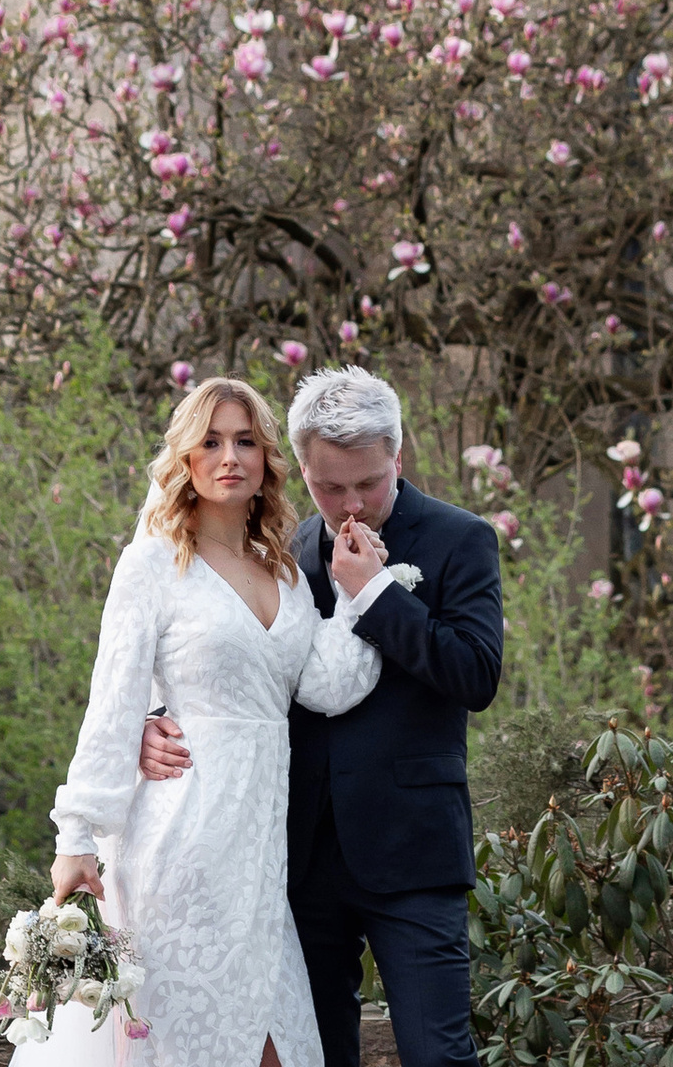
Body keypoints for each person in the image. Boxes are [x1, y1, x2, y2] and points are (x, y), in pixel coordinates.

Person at [136, 368, 503, 1067]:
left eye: (368, 482)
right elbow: (234, 665)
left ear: (398, 455)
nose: (351, 504)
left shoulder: (462, 539)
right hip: (297, 858)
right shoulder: (286, 552)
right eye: (329, 487)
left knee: (439, 1055)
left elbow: (476, 675)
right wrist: (154, 718)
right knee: (318, 1056)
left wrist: (379, 597)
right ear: (299, 467)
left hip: (412, 851)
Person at [47, 376, 392, 1067]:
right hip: (178, 843)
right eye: (210, 441)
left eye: (243, 440)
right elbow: (112, 703)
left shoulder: (287, 575)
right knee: (181, 1045)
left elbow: (329, 686)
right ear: (186, 459)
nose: (229, 455)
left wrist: (359, 598)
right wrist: (77, 834)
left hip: (260, 861)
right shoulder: (151, 565)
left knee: (277, 1049)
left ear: (265, 457)